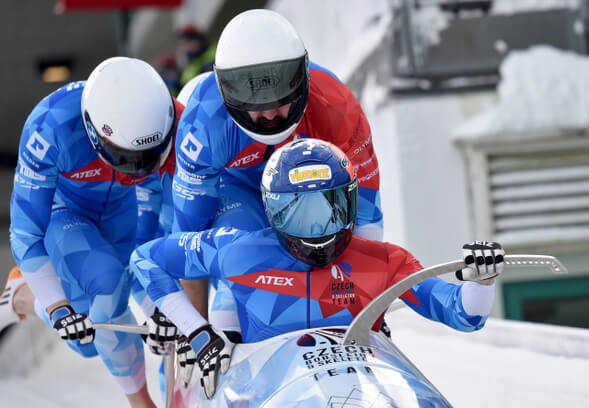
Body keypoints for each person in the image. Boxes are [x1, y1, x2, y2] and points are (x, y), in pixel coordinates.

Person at [131, 138, 504, 399]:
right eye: (299, 214)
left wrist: (481, 280)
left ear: (352, 202)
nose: (318, 231)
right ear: (272, 211)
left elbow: (464, 314)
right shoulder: (238, 250)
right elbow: (145, 258)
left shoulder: (384, 262)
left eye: (331, 209)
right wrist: (197, 333)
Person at [173, 9, 383, 336]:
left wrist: (370, 310)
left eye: (280, 94)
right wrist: (195, 332)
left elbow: (366, 219)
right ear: (227, 90)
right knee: (237, 257)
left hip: (308, 189)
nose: (270, 112)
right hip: (237, 191)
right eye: (254, 99)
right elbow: (189, 241)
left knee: (331, 252)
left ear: (301, 79)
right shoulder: (204, 123)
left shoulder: (336, 105)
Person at [7, 56, 183, 407]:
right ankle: (141, 404)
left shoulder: (173, 118)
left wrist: (161, 310)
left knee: (89, 340)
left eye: (149, 156)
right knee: (106, 287)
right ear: (94, 130)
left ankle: (23, 296)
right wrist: (58, 309)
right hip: (64, 212)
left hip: (124, 208)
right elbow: (25, 233)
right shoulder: (50, 126)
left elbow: (156, 247)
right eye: (127, 157)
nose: (138, 168)